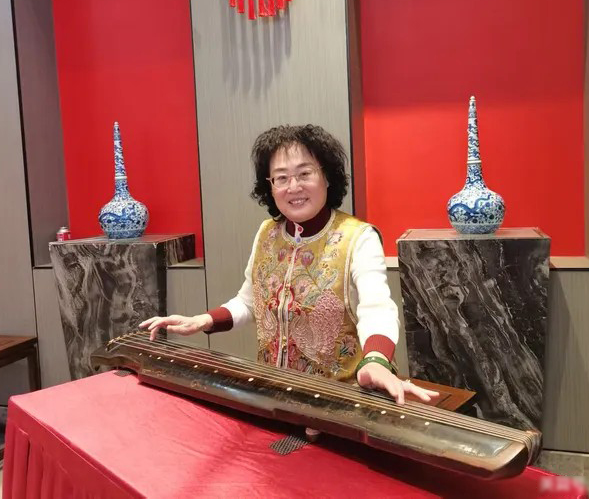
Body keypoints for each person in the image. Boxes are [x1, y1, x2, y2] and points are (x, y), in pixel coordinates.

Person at [141, 124, 437, 405]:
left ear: (327, 177)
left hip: (340, 400)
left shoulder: (358, 237)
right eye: (281, 178)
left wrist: (376, 360)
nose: (293, 186)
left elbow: (377, 309)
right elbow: (249, 302)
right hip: (273, 396)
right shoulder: (267, 233)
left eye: (305, 173)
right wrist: (203, 320)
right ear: (270, 186)